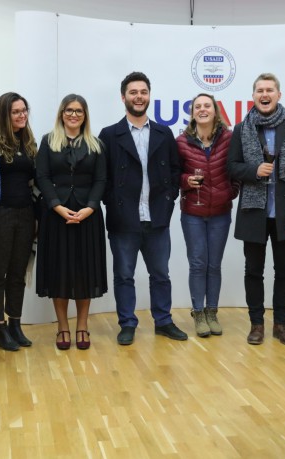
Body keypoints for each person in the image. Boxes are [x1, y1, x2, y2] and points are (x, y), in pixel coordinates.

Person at [99, 71, 187, 345]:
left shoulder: (164, 132)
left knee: (160, 274)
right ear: (123, 97)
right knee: (124, 276)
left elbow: (175, 170)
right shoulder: (109, 135)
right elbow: (103, 177)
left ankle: (163, 321)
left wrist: (170, 198)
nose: (139, 97)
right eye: (133, 92)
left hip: (157, 216)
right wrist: (112, 201)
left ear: (149, 96)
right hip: (123, 218)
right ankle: (127, 323)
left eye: (143, 92)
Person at [228, 73, 285, 346]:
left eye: (269, 90)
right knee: (253, 271)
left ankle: (281, 324)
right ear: (253, 96)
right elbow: (232, 167)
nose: (265, 94)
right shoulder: (242, 128)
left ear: (278, 95)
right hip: (254, 211)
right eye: (260, 90)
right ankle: (257, 324)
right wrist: (254, 170)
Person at [35, 94, 108, 350]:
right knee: (59, 272)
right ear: (61, 114)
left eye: (78, 111)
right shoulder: (48, 141)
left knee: (85, 272)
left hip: (88, 216)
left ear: (85, 115)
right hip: (56, 216)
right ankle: (63, 327)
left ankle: (82, 326)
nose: (73, 115)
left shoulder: (96, 144)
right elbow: (42, 177)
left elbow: (101, 180)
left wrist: (90, 207)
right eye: (69, 110)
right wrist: (56, 205)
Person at [176, 93, 238, 337]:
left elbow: (237, 169)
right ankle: (198, 313)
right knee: (198, 263)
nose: (202, 109)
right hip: (192, 212)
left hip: (221, 213)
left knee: (214, 265)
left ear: (215, 110)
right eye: (197, 106)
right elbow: (172, 174)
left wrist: (231, 192)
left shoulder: (229, 139)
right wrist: (186, 181)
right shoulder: (181, 142)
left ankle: (212, 312)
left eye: (207, 106)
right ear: (192, 113)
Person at [0, 92, 38, 351]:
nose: (22, 115)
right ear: (4, 114)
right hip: (0, 214)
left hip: (25, 214)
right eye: (16, 111)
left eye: (24, 110)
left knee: (18, 273)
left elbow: (34, 182)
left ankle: (15, 324)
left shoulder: (29, 142)